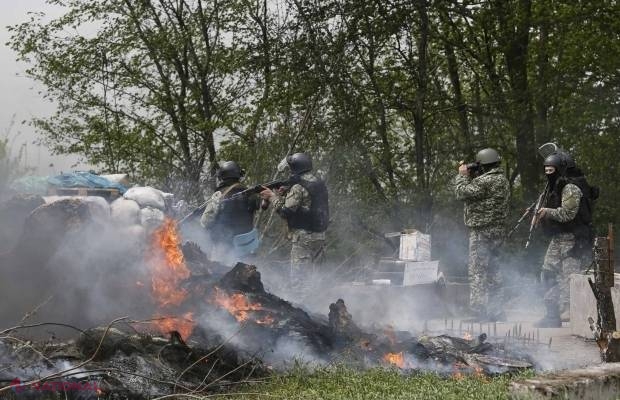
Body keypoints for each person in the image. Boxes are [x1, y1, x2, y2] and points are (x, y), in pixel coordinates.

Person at [534, 152, 596, 327]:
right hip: (558, 237)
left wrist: (547, 212)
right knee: (548, 272)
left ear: (560, 169)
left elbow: (568, 214)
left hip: (573, 238)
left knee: (569, 277)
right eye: (546, 170)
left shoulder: (570, 188)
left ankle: (571, 313)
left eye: (551, 170)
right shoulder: (555, 187)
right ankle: (552, 314)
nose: (548, 173)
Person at [259, 152, 329, 292]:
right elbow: (308, 203)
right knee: (315, 279)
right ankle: (318, 306)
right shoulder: (318, 182)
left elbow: (285, 211)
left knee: (300, 281)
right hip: (319, 236)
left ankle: (303, 311)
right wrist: (286, 191)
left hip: (303, 238)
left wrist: (272, 197)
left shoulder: (297, 187)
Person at [454, 148, 510, 322]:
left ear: (483, 165)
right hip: (498, 231)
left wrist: (462, 175)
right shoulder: (502, 179)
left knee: (478, 271)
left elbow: (461, 192)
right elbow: (480, 194)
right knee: (495, 271)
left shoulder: (485, 181)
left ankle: (478, 311)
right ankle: (497, 311)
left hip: (481, 231)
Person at [200, 161, 260, 261]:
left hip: (224, 248)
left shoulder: (219, 195)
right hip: (247, 245)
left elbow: (205, 222)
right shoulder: (251, 194)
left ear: (222, 176)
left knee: (217, 274)